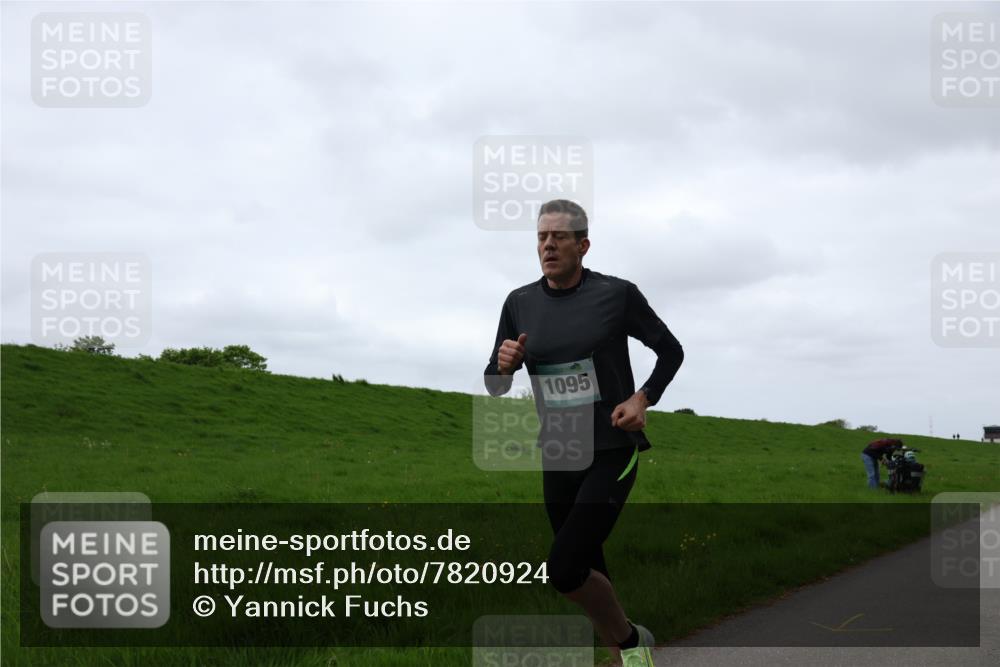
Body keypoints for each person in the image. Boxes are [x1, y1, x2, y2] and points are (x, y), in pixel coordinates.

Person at [483, 199, 684, 666]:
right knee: (590, 566)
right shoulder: (519, 303)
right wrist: (502, 365)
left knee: (564, 568)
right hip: (559, 451)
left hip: (612, 448)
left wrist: (642, 398)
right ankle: (629, 658)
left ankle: (632, 641)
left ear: (583, 245)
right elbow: (495, 385)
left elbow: (670, 350)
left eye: (558, 237)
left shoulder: (616, 295)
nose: (548, 245)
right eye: (540, 237)